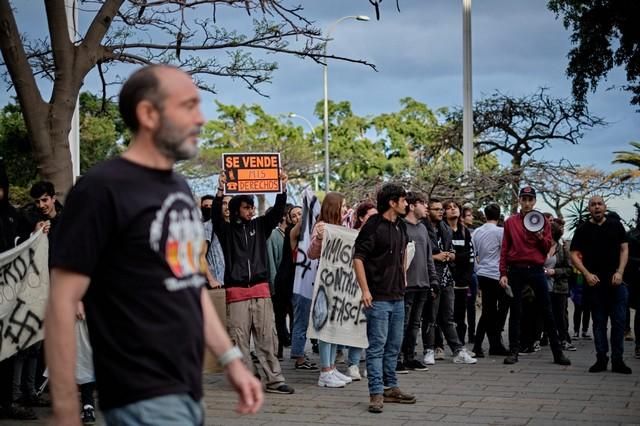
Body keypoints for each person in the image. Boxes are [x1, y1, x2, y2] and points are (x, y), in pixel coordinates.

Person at [45, 65, 263, 426]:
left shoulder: (178, 188)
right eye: (188, 106)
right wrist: (66, 408)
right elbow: (61, 302)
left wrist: (232, 362)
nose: (201, 119)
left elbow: (190, 285)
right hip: (140, 396)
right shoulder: (101, 189)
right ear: (148, 113)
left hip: (187, 389)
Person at [212, 170, 295, 394]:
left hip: (261, 291)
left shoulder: (260, 226)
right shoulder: (226, 231)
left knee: (267, 338)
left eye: (252, 207)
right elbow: (216, 217)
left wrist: (282, 188)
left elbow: (278, 211)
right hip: (237, 293)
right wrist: (220, 191)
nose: (251, 211)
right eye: (246, 207)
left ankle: (274, 380)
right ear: (237, 209)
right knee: (239, 341)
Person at [354, 183, 416, 414]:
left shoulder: (401, 226)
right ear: (392, 202)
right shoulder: (373, 225)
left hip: (398, 296)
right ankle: (376, 393)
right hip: (378, 298)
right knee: (377, 347)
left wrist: (403, 276)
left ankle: (391, 388)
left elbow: (402, 253)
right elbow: (358, 257)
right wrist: (365, 290)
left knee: (393, 346)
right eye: (403, 200)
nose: (406, 204)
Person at [499, 186, 570, 366]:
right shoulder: (510, 222)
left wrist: (540, 237)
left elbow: (547, 249)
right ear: (520, 201)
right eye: (524, 199)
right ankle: (514, 351)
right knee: (516, 311)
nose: (527, 203)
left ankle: (557, 352)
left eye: (531, 199)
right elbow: (505, 248)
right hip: (516, 269)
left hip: (537, 269)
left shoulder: (543, 222)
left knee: (547, 311)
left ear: (535, 202)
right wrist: (503, 273)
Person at [570, 196, 631, 374]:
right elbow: (573, 253)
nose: (597, 207)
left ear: (605, 207)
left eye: (600, 204)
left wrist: (620, 271)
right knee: (598, 323)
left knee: (619, 323)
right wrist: (586, 274)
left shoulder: (616, 225)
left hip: (616, 282)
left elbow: (624, 248)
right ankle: (601, 359)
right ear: (589, 208)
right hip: (594, 283)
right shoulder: (582, 229)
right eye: (593, 205)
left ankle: (618, 360)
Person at [0, 159, 39, 421]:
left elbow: (23, 244)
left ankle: (6, 402)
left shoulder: (13, 215)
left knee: (8, 350)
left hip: (9, 294)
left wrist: (36, 234)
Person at [307, 192, 355, 388]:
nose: (345, 208)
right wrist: (318, 239)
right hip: (326, 284)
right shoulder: (321, 227)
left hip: (341, 283)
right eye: (342, 205)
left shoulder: (344, 227)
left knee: (335, 326)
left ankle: (332, 367)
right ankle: (325, 371)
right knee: (326, 326)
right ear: (333, 206)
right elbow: (311, 254)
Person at [422, 198, 477, 366]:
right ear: (428, 211)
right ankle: (429, 349)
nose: (441, 211)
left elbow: (454, 250)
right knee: (430, 317)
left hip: (447, 277)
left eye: (441, 209)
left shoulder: (446, 229)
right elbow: (419, 254)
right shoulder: (423, 229)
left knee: (448, 317)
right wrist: (435, 256)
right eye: (436, 209)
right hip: (432, 277)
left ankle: (458, 350)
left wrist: (450, 254)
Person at [397, 192, 437, 373]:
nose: (426, 207)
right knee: (402, 323)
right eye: (423, 203)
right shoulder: (400, 227)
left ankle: (410, 356)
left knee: (415, 324)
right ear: (412, 206)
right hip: (406, 284)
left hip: (423, 283)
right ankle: (396, 358)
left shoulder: (423, 228)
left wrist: (433, 279)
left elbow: (429, 257)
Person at [471, 203, 510, 357]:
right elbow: (505, 252)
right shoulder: (501, 232)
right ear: (499, 215)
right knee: (492, 311)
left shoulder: (476, 232)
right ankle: (480, 345)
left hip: (482, 272)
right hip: (496, 274)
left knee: (489, 310)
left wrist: (477, 269)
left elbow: (472, 254)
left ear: (485, 215)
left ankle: (494, 344)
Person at [443, 200, 474, 345]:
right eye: (448, 208)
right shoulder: (441, 230)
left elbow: (469, 256)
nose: (452, 210)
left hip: (462, 281)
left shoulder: (464, 231)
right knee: (443, 315)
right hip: (445, 279)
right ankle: (438, 346)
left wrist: (456, 257)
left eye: (455, 207)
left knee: (461, 316)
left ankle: (460, 345)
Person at [547, 220, 575, 352]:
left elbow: (569, 270)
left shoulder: (563, 248)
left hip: (559, 287)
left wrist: (555, 272)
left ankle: (564, 339)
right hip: (543, 286)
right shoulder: (540, 247)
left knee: (560, 315)